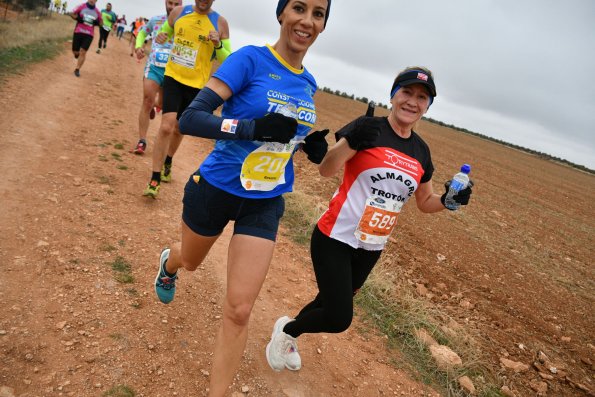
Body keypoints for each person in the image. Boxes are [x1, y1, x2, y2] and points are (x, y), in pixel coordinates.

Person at [152, 0, 331, 394]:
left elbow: (282, 135)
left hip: (265, 200)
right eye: (299, 8)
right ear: (282, 14)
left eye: (318, 14)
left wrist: (306, 146)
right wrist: (252, 127)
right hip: (216, 188)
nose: (307, 20)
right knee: (192, 261)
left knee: (240, 309)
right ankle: (171, 263)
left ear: (322, 25)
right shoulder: (249, 60)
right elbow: (192, 118)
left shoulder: (308, 84)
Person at [265, 67, 475, 371]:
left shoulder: (421, 152)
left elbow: (425, 202)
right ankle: (286, 332)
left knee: (328, 301)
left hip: (371, 246)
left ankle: (289, 330)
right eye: (406, 92)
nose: (412, 102)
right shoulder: (367, 127)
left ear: (427, 106)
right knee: (339, 317)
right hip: (335, 236)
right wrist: (351, 142)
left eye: (421, 98)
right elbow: (327, 169)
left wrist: (448, 201)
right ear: (393, 95)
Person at [142, 0, 231, 198]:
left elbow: (227, 58)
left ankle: (168, 160)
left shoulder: (220, 23)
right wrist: (163, 36)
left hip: (196, 85)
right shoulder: (178, 13)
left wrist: (218, 45)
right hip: (173, 76)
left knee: (180, 128)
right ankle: (154, 178)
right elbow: (163, 35)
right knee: (166, 126)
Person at [130, 0, 181, 155]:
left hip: (173, 72)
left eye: (176, 4)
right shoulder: (156, 20)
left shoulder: (185, 23)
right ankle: (142, 141)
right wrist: (139, 46)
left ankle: (156, 105)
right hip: (154, 67)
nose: (172, 7)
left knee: (163, 104)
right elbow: (143, 33)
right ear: (166, 2)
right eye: (170, 3)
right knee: (147, 101)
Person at [69, 0, 102, 77]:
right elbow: (72, 13)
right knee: (75, 52)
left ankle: (77, 69)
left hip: (89, 34)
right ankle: (76, 55)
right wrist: (78, 18)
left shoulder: (97, 12)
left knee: (83, 51)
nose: (92, 0)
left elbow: (101, 23)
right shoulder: (81, 6)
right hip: (78, 31)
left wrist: (96, 22)